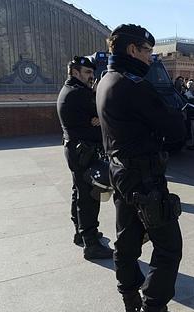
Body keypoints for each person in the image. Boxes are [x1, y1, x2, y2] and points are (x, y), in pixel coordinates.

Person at [96, 24, 186, 312]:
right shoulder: (134, 85)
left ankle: (132, 307)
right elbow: (175, 128)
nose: (150, 57)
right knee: (169, 249)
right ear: (133, 50)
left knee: (127, 242)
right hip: (145, 177)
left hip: (122, 174)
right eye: (147, 51)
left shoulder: (106, 80)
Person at [57, 56, 113, 260]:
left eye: (92, 73)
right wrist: (97, 120)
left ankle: (81, 233)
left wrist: (97, 120)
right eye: (87, 73)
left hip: (76, 149)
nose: (92, 77)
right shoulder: (78, 93)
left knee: (79, 192)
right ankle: (91, 244)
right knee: (89, 196)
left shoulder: (70, 90)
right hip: (83, 151)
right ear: (75, 72)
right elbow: (103, 112)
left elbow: (98, 117)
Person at [183, 81, 194, 150]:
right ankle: (191, 143)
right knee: (192, 129)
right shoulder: (186, 94)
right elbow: (186, 105)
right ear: (189, 86)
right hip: (191, 115)